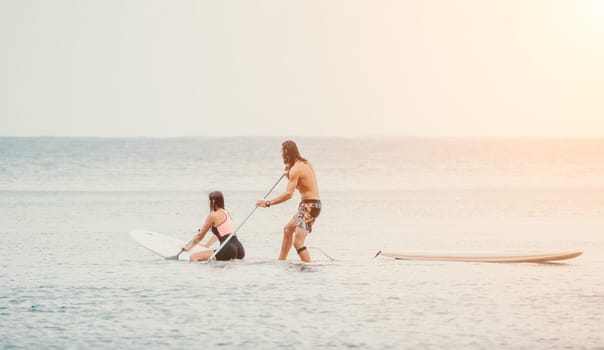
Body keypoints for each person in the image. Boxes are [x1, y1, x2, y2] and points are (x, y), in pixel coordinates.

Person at [256, 140, 321, 262]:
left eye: (282, 151)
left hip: (311, 206)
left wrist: (268, 203)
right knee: (287, 229)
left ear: (286, 151)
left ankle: (309, 270)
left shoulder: (296, 169)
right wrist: (289, 176)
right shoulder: (306, 163)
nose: (281, 154)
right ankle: (281, 260)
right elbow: (303, 186)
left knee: (298, 242)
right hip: (307, 205)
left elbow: (288, 195)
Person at [183, 191, 245, 261]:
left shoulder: (213, 215)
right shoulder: (226, 213)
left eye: (209, 200)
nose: (208, 202)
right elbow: (221, 234)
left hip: (228, 248)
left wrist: (189, 247)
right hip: (239, 249)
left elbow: (200, 236)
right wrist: (207, 245)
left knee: (193, 257)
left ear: (213, 201)